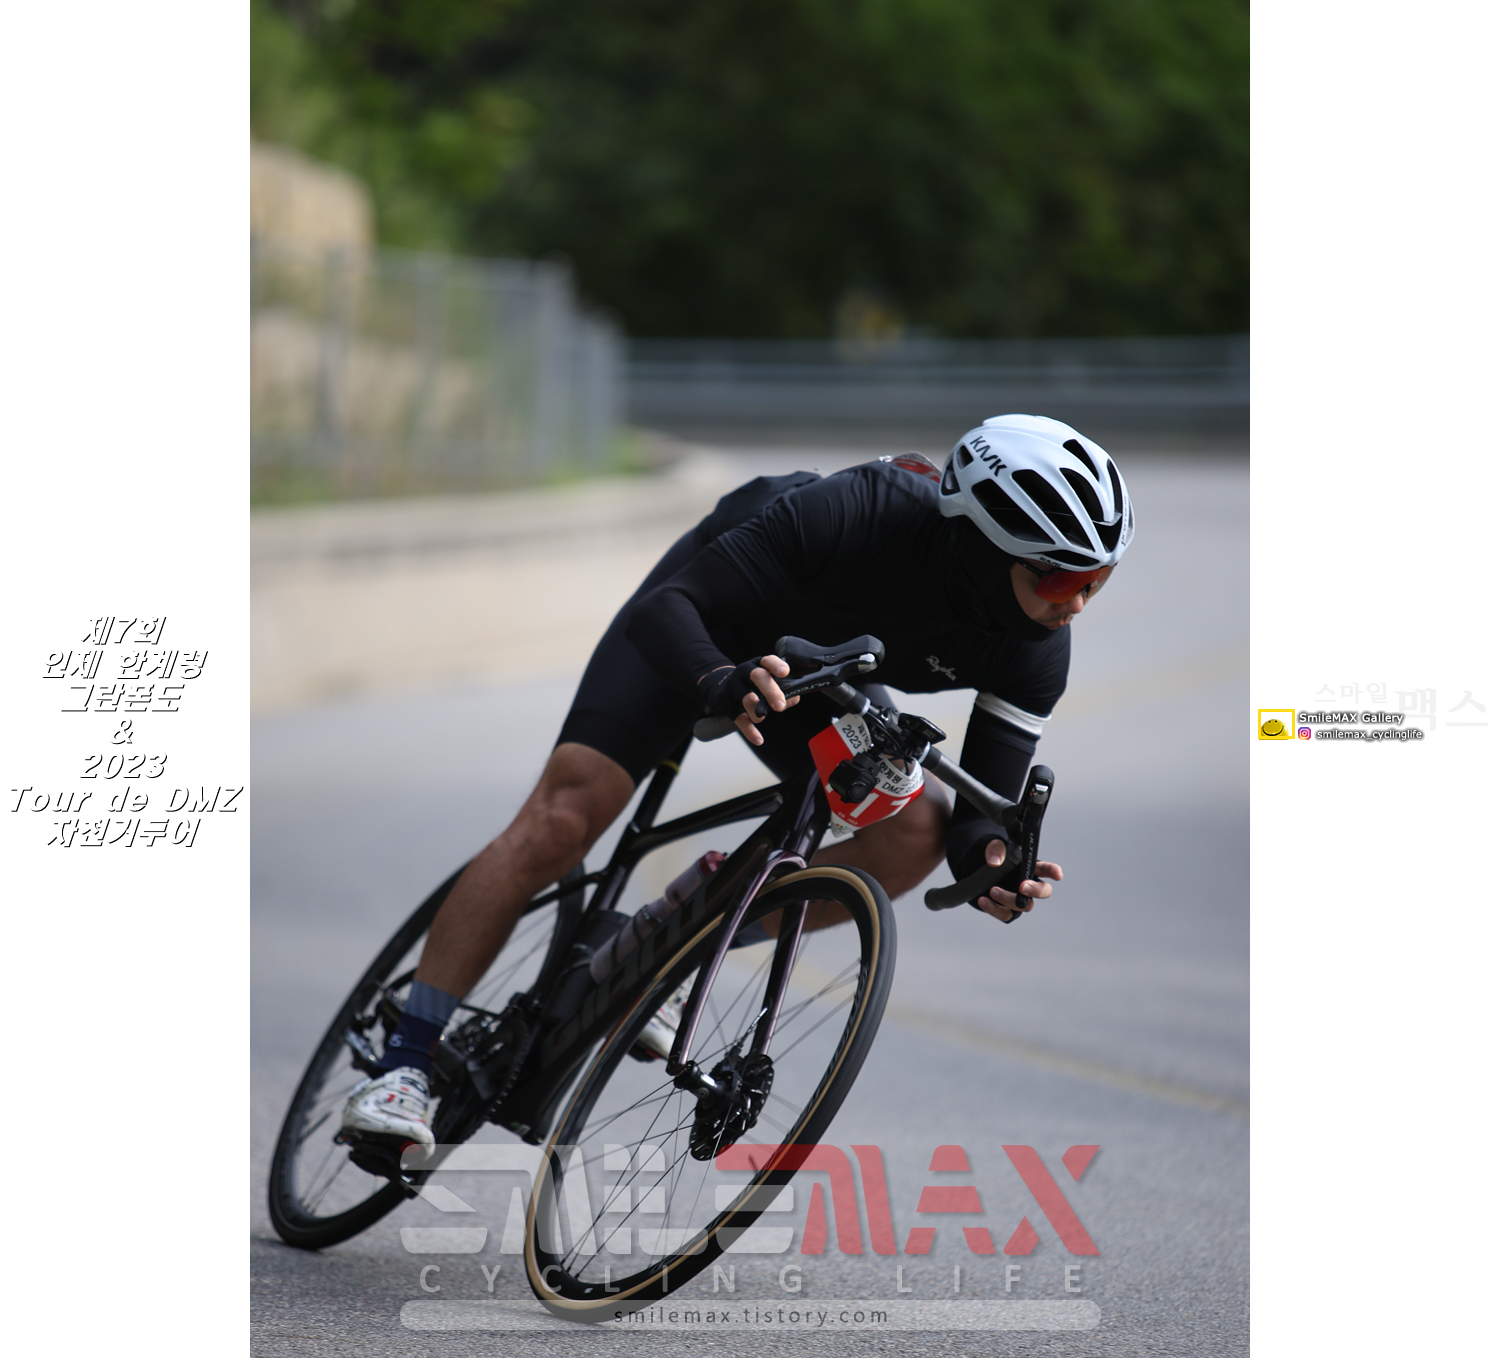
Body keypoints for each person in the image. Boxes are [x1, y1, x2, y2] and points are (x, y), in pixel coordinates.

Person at [343, 413, 1134, 1145]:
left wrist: (992, 867)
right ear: (987, 548)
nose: (1077, 604)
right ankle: (403, 1066)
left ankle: (676, 943)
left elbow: (978, 813)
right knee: (565, 817)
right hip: (703, 625)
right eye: (1059, 580)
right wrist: (718, 680)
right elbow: (666, 610)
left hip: (817, 671)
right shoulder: (865, 509)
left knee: (912, 827)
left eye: (1096, 581)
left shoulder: (1036, 649)